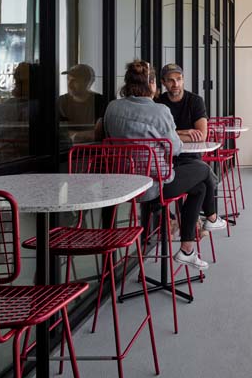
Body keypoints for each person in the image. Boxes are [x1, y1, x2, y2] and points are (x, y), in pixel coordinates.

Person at [103, 60, 225, 270]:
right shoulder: (159, 111)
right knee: (204, 170)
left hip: (122, 183)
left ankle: (187, 249)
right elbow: (175, 148)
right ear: (153, 84)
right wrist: (183, 134)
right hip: (154, 185)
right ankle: (212, 217)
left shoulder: (112, 108)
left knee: (201, 186)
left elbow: (106, 134)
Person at [158, 63, 208, 143]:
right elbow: (155, 136)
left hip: (191, 154)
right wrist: (183, 132)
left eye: (178, 79)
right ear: (163, 82)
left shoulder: (196, 101)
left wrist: (167, 137)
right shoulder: (158, 102)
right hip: (166, 154)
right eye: (171, 80)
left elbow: (202, 136)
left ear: (183, 79)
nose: (176, 84)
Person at [59, 63, 105, 141]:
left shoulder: (101, 102)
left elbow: (99, 133)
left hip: (93, 150)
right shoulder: (60, 101)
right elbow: (57, 131)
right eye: (68, 79)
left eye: (74, 81)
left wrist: (73, 135)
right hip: (65, 150)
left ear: (88, 82)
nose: (69, 85)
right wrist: (82, 135)